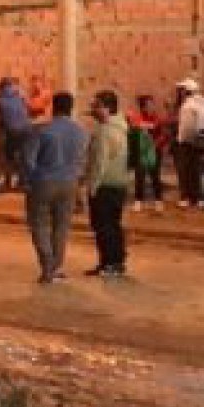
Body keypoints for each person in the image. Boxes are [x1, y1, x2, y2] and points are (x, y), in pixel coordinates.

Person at [22, 93, 86, 283]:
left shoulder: (42, 130)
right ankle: (56, 266)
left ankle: (47, 264)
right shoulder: (80, 132)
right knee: (62, 226)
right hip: (70, 182)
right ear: (71, 108)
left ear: (53, 107)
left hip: (44, 180)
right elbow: (82, 159)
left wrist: (29, 180)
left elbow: (29, 159)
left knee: (39, 223)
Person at [84, 90, 132, 278]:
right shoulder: (121, 128)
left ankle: (109, 263)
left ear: (107, 108)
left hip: (104, 185)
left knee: (103, 227)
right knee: (113, 225)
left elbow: (99, 162)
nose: (93, 109)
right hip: (119, 184)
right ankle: (116, 261)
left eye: (96, 106)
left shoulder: (104, 131)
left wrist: (92, 186)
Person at [172, 80, 204, 210]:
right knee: (196, 170)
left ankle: (186, 197)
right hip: (200, 140)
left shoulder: (188, 106)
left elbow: (187, 127)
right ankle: (197, 197)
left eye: (181, 90)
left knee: (185, 170)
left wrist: (182, 140)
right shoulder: (202, 103)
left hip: (188, 143)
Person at [0, 77, 32, 194]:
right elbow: (26, 112)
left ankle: (7, 182)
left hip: (11, 131)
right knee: (23, 157)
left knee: (8, 157)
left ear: (0, 88)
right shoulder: (20, 98)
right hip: (27, 130)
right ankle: (23, 182)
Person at [130, 95, 167, 211]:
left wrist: (155, 144)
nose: (151, 107)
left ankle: (158, 200)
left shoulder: (157, 119)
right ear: (143, 107)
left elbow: (163, 134)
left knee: (155, 176)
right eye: (148, 105)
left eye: (152, 104)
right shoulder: (137, 118)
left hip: (155, 152)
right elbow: (133, 132)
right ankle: (138, 201)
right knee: (139, 176)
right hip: (141, 152)